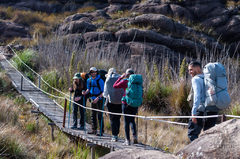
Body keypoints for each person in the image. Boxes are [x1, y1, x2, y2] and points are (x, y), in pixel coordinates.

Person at [188, 61, 218, 142]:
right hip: (212, 110)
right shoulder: (209, 78)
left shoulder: (195, 79)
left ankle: (196, 154)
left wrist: (193, 113)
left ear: (197, 69)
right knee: (208, 137)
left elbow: (197, 97)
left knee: (192, 134)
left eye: (191, 70)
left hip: (201, 111)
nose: (189, 72)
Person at [113, 68, 138, 145]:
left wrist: (121, 77)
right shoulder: (137, 83)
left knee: (126, 122)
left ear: (126, 75)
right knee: (132, 120)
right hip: (135, 104)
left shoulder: (124, 81)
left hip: (126, 103)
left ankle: (128, 140)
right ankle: (135, 136)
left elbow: (115, 86)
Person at [103, 68, 124, 142]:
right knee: (117, 118)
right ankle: (117, 134)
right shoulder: (120, 78)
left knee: (112, 119)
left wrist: (105, 98)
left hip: (110, 102)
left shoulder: (108, 79)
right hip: (120, 102)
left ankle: (114, 136)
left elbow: (105, 93)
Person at [82, 67, 105, 135]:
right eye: (92, 72)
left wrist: (98, 98)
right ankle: (93, 129)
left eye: (94, 72)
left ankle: (101, 131)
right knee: (93, 115)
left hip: (99, 99)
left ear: (96, 72)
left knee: (100, 115)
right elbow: (88, 89)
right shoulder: (89, 80)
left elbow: (104, 92)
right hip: (92, 99)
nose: (93, 73)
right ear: (90, 73)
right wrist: (85, 92)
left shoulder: (100, 80)